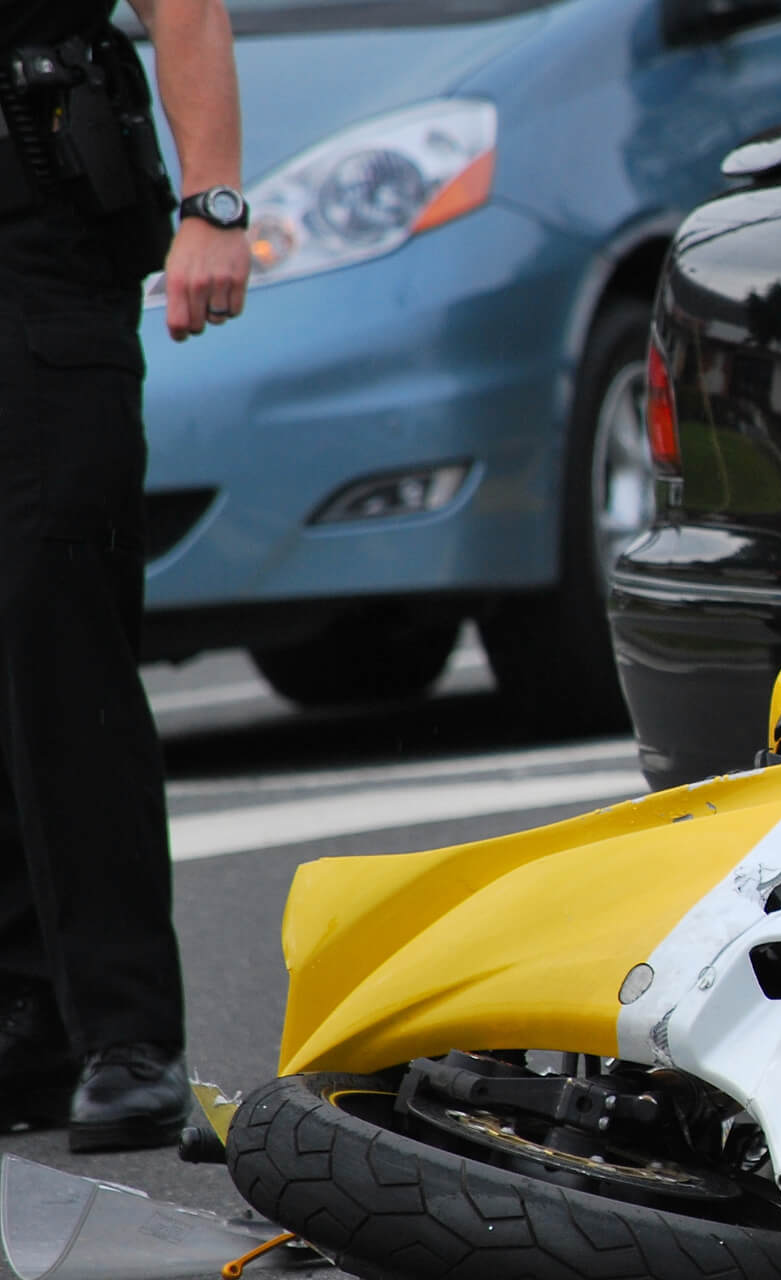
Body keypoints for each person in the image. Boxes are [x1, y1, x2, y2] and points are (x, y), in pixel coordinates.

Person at [0, 0, 249, 1151]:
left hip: (35, 236)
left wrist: (214, 204)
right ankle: (28, 1016)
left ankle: (127, 1035)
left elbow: (183, 5)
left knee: (59, 623)